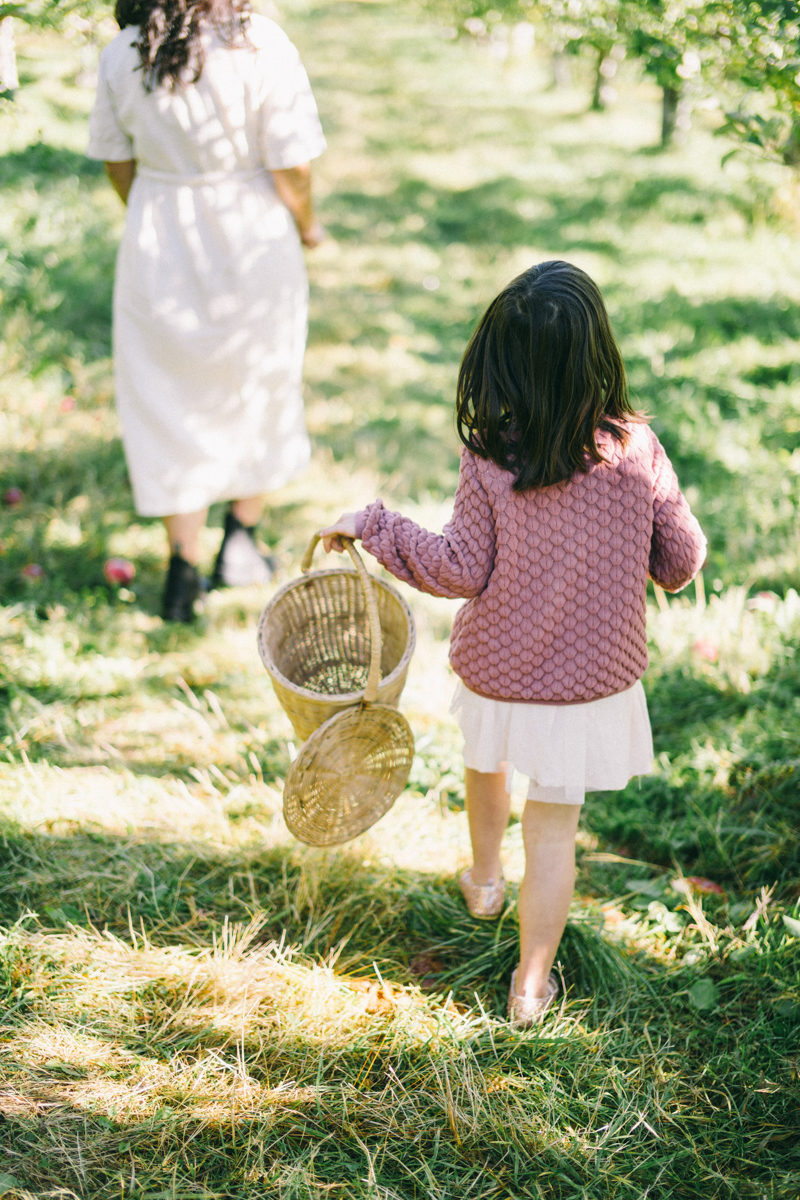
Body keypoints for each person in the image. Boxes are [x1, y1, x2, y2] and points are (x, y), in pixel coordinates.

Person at [320, 260, 706, 1027]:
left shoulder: (494, 456)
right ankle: (531, 985)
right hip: (590, 682)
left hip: (501, 669)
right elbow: (680, 562)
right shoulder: (638, 450)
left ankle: (486, 880)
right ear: (598, 354)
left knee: (485, 766)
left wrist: (376, 524)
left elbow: (459, 568)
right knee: (555, 829)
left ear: (504, 366)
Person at [87, 0, 326, 621]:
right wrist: (308, 225)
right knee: (261, 380)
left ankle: (182, 565)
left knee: (167, 395)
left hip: (159, 229)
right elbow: (291, 162)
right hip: (251, 229)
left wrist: (152, 208)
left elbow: (119, 162)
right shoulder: (258, 45)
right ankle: (240, 541)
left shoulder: (124, 52)